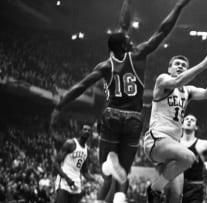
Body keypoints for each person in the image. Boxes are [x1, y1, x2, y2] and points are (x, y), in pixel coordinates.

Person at [50, 0, 193, 202]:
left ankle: (108, 169)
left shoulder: (104, 65)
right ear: (124, 45)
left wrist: (61, 103)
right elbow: (162, 31)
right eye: (128, 40)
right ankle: (118, 190)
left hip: (112, 115)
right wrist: (178, 7)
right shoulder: (138, 54)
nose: (132, 41)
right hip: (134, 118)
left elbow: (81, 87)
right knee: (123, 175)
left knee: (107, 175)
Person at [143, 50, 207, 203]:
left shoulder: (187, 91)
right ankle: (154, 189)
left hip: (173, 145)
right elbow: (177, 81)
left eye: (184, 65)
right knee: (189, 157)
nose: (180, 66)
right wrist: (204, 64)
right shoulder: (163, 80)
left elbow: (206, 94)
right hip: (157, 140)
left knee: (176, 197)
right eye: (177, 64)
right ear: (169, 69)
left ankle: (156, 191)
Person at [54, 124, 97, 203]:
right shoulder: (70, 143)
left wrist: (95, 179)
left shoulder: (87, 150)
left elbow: (85, 172)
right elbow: (56, 163)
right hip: (64, 180)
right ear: (80, 131)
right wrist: (67, 178)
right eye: (85, 129)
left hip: (76, 182)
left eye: (89, 130)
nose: (87, 131)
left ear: (90, 134)